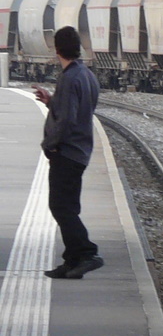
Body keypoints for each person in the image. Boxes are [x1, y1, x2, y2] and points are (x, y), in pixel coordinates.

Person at [34, 26, 103, 279]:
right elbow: (77, 109)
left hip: (68, 151)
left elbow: (67, 120)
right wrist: (51, 101)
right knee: (68, 207)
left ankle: (87, 253)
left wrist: (50, 144)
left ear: (57, 49)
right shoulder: (86, 75)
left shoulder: (69, 77)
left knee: (61, 207)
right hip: (81, 149)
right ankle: (72, 261)